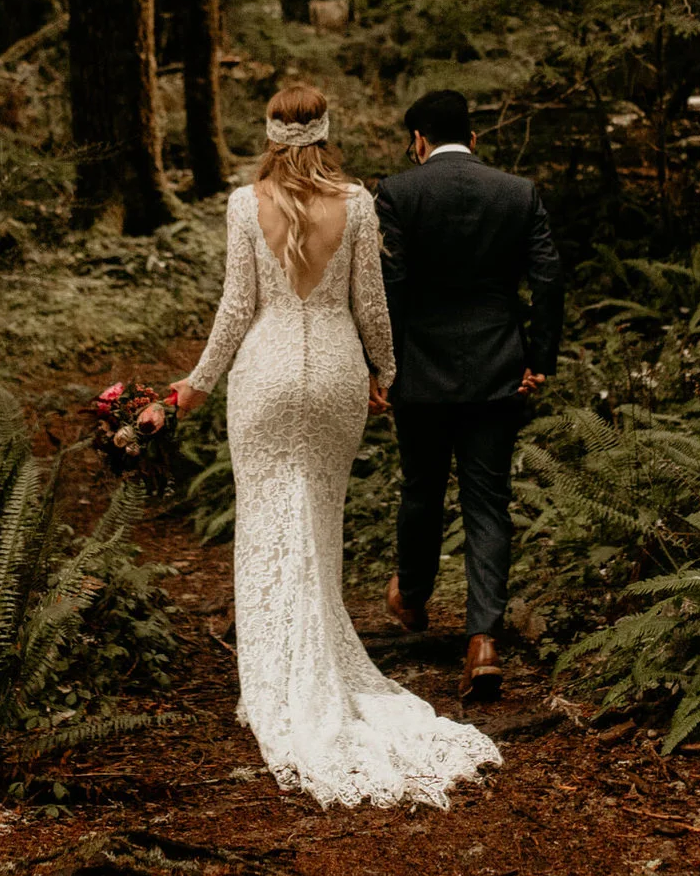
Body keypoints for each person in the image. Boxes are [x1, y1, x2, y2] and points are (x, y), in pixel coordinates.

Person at [169, 86, 500, 809]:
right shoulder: (356, 202)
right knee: (318, 521)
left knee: (266, 524)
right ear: (325, 132)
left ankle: (277, 685)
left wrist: (195, 384)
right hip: (336, 382)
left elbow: (235, 309)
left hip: (265, 373)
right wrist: (385, 372)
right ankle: (317, 664)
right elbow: (372, 306)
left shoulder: (241, 204)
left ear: (270, 133)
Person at [374, 88, 564, 702]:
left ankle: (413, 593)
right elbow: (547, 278)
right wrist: (538, 359)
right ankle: (483, 640)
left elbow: (390, 288)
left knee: (422, 485)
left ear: (419, 141)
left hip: (419, 371)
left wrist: (384, 365)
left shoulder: (398, 193)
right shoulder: (518, 192)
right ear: (474, 138)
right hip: (497, 369)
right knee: (488, 501)